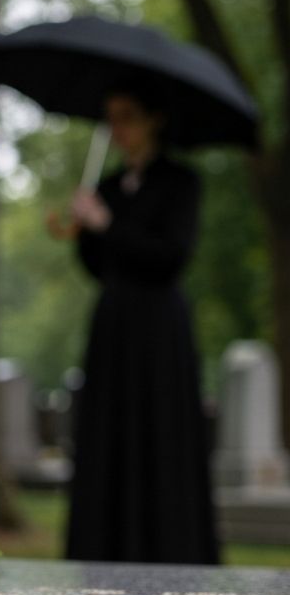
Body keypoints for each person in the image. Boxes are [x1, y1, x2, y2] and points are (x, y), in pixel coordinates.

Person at [65, 84, 219, 564]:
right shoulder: (108, 186)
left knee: (159, 433)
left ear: (154, 119)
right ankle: (104, 547)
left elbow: (170, 257)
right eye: (111, 117)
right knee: (109, 434)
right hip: (114, 327)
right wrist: (83, 228)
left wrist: (108, 225)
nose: (117, 128)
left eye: (127, 115)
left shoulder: (180, 182)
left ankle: (168, 547)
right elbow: (97, 267)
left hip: (158, 329)